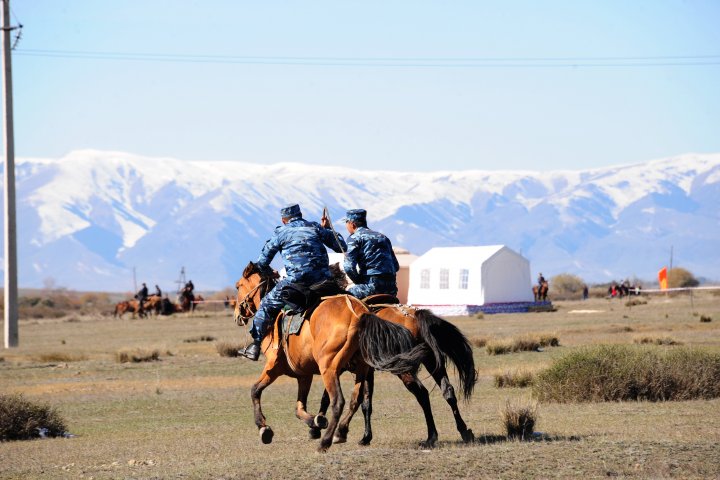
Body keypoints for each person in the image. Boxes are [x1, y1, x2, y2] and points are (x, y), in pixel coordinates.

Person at [239, 203, 347, 361]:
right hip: (324, 281)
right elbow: (341, 247)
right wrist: (328, 229)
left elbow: (261, 263)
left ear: (283, 220)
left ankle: (255, 346)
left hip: (296, 283)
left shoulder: (281, 233)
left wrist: (270, 273)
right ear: (301, 215)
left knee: (266, 305)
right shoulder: (316, 228)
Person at [342, 209, 400, 299]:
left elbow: (348, 267)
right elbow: (396, 266)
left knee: (344, 298)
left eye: (346, 222)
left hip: (372, 287)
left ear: (352, 224)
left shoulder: (354, 238)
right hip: (391, 289)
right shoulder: (383, 237)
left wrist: (358, 281)